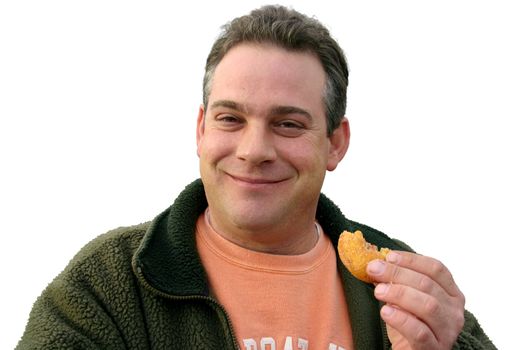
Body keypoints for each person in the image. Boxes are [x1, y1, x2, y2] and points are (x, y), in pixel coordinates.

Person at [17, 5, 495, 350]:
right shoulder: (109, 283)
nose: (254, 151)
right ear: (201, 130)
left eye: (288, 124)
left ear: (335, 142)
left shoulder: (407, 288)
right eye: (230, 119)